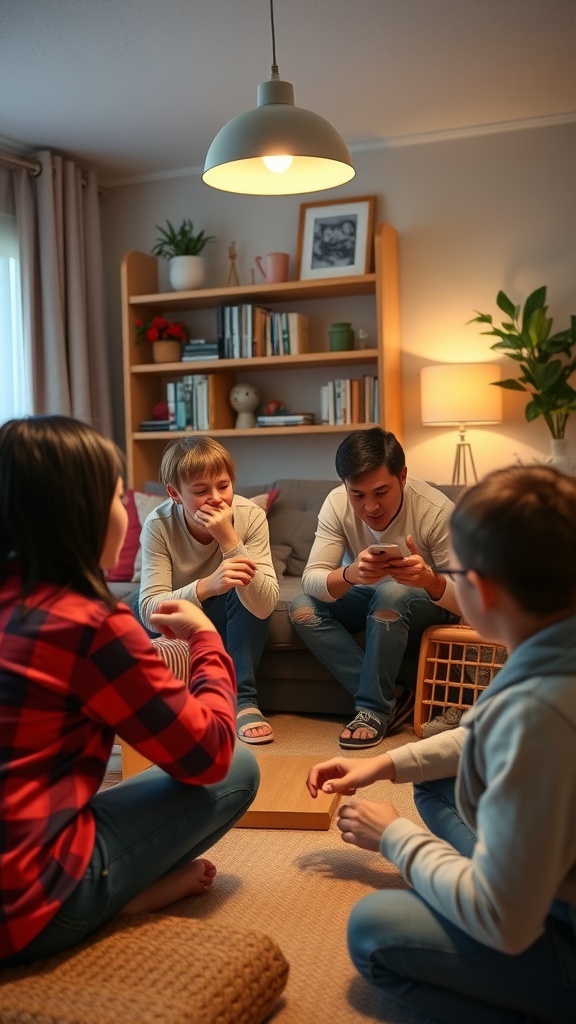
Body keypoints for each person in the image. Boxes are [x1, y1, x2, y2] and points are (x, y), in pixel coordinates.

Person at [307, 465, 576, 1023]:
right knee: (431, 776)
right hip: (554, 857)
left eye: (456, 574)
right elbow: (478, 737)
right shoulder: (549, 651)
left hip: (552, 922)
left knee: (374, 929)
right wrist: (384, 763)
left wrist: (394, 838)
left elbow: (504, 919)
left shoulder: (537, 715)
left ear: (483, 590)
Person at [0, 415, 259, 966]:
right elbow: (206, 755)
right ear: (85, 514)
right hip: (25, 904)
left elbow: (259, 600)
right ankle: (109, 900)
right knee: (238, 765)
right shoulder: (88, 625)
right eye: (119, 496)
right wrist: (208, 639)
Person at [289, 427, 461, 748]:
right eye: (358, 494)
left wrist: (429, 580)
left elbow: (468, 602)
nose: (370, 507)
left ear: (403, 476)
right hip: (369, 592)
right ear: (345, 486)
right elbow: (311, 579)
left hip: (430, 600)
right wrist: (352, 573)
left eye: (381, 492)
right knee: (301, 606)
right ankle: (396, 695)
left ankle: (372, 709)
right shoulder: (337, 503)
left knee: (391, 591)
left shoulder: (437, 512)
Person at [139, 436, 279, 744]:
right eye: (201, 491)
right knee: (131, 614)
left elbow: (266, 603)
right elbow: (151, 610)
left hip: (234, 615)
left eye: (224, 486)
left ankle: (242, 700)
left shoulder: (250, 516)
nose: (216, 499)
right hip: (183, 619)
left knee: (242, 580)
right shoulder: (158, 524)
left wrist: (229, 540)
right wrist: (206, 586)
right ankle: (190, 694)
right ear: (175, 493)